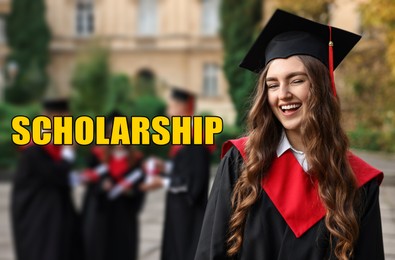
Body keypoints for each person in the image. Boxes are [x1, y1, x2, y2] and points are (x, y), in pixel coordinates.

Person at [195, 9, 384, 260]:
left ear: (322, 87)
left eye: (296, 80)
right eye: (272, 85)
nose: (282, 94)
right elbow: (211, 252)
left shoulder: (358, 181)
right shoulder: (241, 162)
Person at [141, 88, 213, 260]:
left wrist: (162, 182)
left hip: (188, 212)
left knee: (184, 249)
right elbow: (183, 169)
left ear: (183, 108)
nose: (168, 111)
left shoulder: (196, 138)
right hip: (178, 208)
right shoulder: (184, 134)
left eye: (172, 106)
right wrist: (164, 167)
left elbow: (192, 183)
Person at [10, 98, 83, 260]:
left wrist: (77, 178)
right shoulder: (34, 146)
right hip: (39, 215)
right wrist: (69, 153)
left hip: (56, 211)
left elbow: (60, 176)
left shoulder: (53, 143)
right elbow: (54, 175)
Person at [81, 112, 145, 260]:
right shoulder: (97, 155)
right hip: (100, 216)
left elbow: (140, 189)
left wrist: (130, 191)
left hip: (124, 216)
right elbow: (90, 185)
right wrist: (101, 186)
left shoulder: (136, 159)